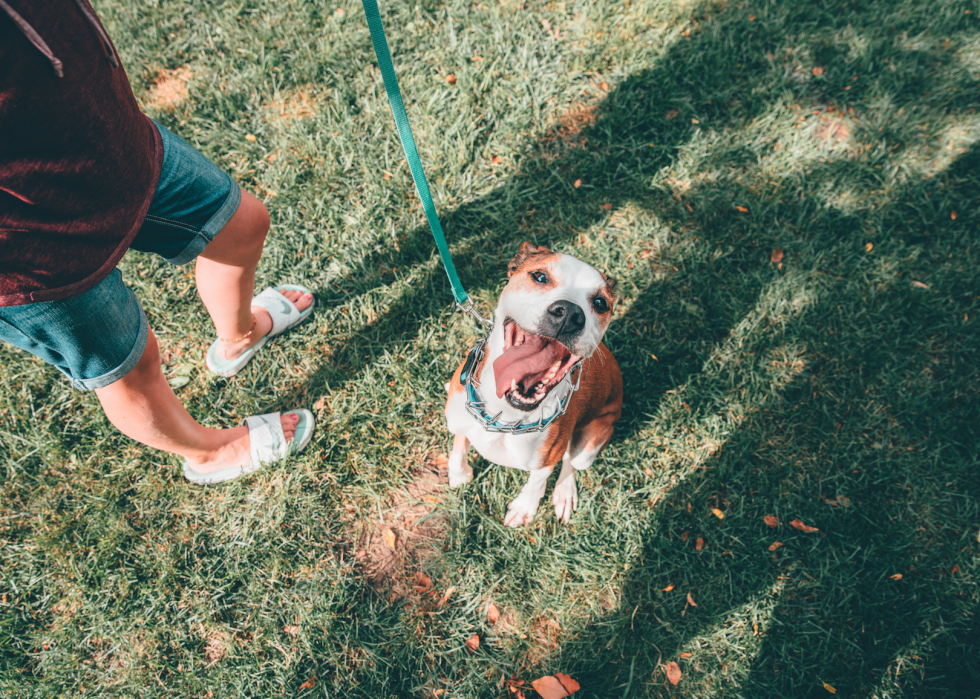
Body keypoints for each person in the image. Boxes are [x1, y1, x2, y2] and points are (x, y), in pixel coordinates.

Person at [0, 0, 316, 483]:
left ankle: (238, 337)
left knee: (241, 226)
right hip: (29, 244)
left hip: (116, 141)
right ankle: (206, 452)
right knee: (129, 363)